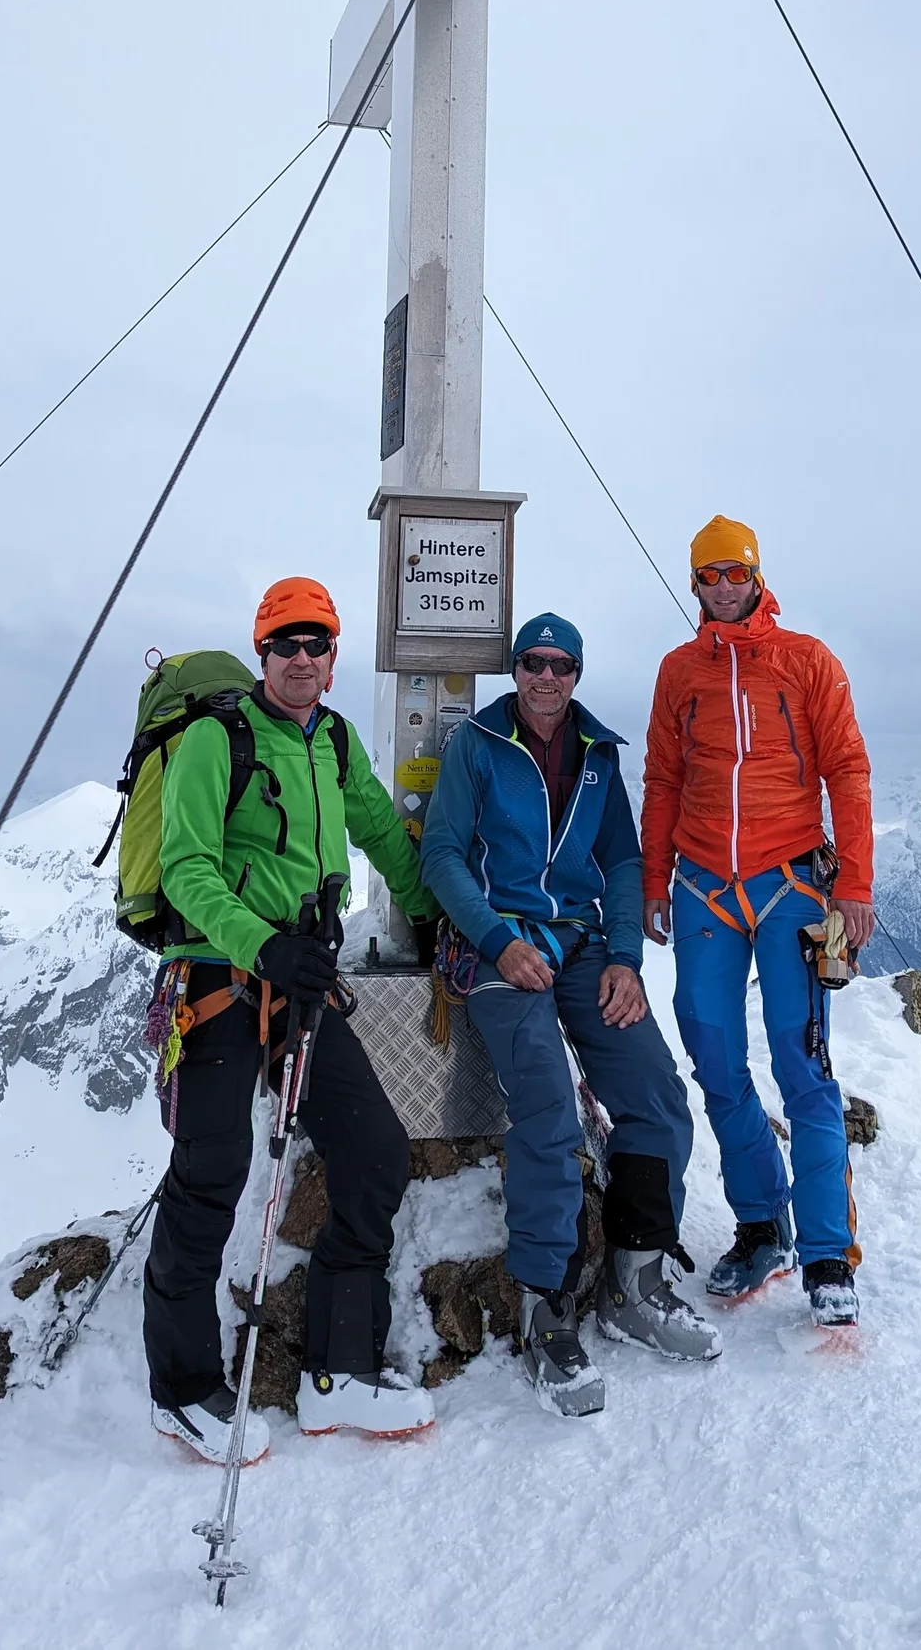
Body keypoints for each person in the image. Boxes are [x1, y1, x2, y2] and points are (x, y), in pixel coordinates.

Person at [142, 576, 439, 1459]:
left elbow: (382, 833)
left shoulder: (335, 742)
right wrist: (261, 943)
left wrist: (431, 913)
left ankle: (336, 1373)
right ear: (262, 652)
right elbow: (186, 871)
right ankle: (183, 1385)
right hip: (218, 973)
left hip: (301, 978)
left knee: (375, 1147)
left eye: (317, 644)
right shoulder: (214, 736)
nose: (301, 658)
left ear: (333, 658)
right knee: (212, 1167)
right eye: (286, 643)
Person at [422, 610, 718, 1417]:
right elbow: (443, 852)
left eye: (561, 665)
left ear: (577, 674)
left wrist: (626, 955)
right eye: (531, 663)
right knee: (550, 1113)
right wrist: (493, 937)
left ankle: (636, 1279)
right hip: (500, 948)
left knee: (656, 1096)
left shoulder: (597, 754)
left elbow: (621, 859)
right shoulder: (479, 747)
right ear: (514, 670)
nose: (546, 677)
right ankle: (546, 1310)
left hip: (585, 945)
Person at [642, 518, 875, 1328]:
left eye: (734, 572)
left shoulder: (807, 661)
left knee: (800, 1063)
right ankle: (760, 1223)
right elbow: (663, 775)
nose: (722, 586)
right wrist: (651, 879)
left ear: (756, 575)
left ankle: (825, 1253)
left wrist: (856, 885)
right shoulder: (679, 672)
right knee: (711, 1050)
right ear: (696, 584)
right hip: (704, 880)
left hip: (790, 883)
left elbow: (847, 765)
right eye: (708, 575)